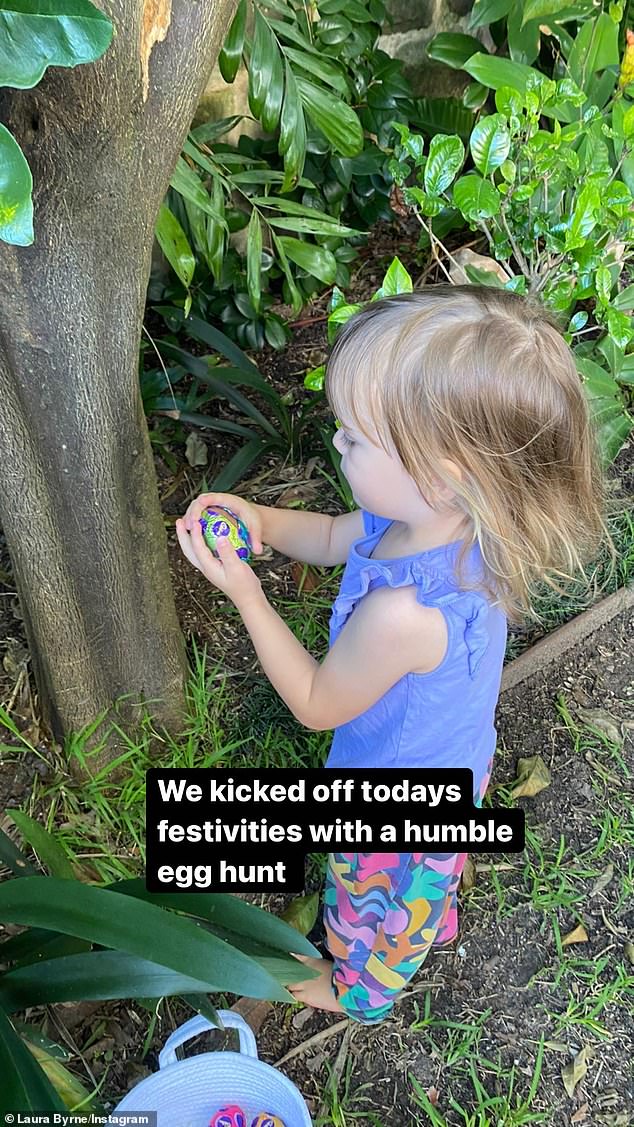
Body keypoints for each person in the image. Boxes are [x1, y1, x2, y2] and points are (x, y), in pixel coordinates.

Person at [176, 285, 608, 1025]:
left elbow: (315, 703)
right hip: (456, 758)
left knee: (369, 897)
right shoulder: (456, 519)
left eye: (353, 436)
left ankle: (357, 987)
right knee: (424, 880)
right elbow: (336, 535)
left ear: (443, 472)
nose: (336, 443)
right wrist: (264, 520)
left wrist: (246, 593)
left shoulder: (401, 615)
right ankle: (432, 907)